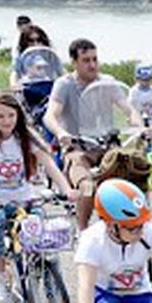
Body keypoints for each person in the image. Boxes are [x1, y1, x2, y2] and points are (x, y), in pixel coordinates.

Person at [0, 92, 77, 303]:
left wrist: (67, 189)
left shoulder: (25, 135)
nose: (7, 121)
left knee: (44, 246)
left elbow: (49, 163)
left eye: (11, 115)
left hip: (24, 200)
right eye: (0, 116)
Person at [45, 38, 140, 229]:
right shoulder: (64, 84)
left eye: (95, 59)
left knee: (133, 180)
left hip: (108, 146)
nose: (92, 64)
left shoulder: (108, 82)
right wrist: (61, 133)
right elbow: (50, 116)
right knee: (87, 187)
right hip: (78, 148)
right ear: (74, 63)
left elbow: (129, 109)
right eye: (86, 60)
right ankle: (83, 232)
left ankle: (133, 227)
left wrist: (140, 126)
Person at [9, 23, 62, 126]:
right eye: (31, 41)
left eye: (39, 40)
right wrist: (14, 84)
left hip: (50, 89)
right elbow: (15, 72)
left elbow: (61, 71)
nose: (36, 44)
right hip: (31, 91)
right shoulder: (22, 57)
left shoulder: (50, 56)